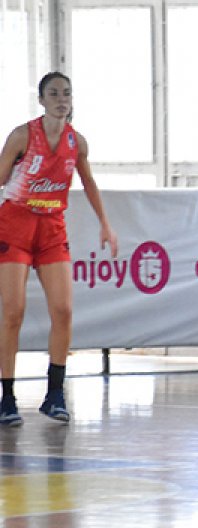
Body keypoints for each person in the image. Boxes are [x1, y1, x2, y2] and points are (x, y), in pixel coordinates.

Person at [0, 72, 118, 427]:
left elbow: (89, 181)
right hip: (16, 223)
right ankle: (7, 397)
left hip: (51, 226)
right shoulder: (23, 135)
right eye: (53, 93)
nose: (60, 98)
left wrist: (106, 225)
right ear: (41, 100)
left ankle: (55, 394)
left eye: (66, 93)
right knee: (13, 312)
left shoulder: (76, 142)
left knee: (64, 310)